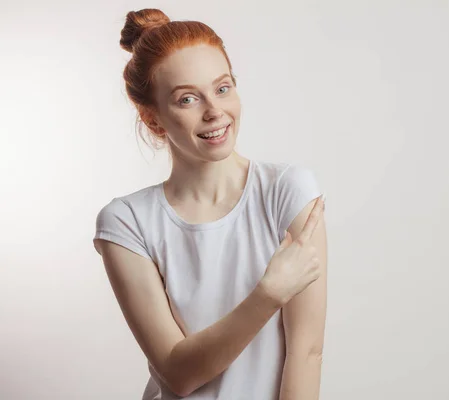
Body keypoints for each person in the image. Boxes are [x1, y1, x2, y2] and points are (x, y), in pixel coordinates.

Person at [92, 8, 328, 400]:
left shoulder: (288, 190)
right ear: (154, 120)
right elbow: (178, 374)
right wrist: (268, 294)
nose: (214, 111)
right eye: (187, 98)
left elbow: (307, 354)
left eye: (222, 88)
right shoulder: (127, 223)